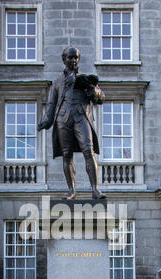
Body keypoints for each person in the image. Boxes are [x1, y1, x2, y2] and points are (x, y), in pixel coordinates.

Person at [37, 47, 106, 200]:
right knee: (66, 155)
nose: (73, 60)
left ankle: (95, 189)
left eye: (75, 58)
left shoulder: (85, 79)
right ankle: (71, 191)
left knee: (89, 150)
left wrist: (92, 90)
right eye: (70, 58)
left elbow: (101, 98)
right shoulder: (57, 83)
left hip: (81, 117)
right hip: (63, 119)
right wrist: (46, 120)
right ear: (64, 60)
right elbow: (51, 104)